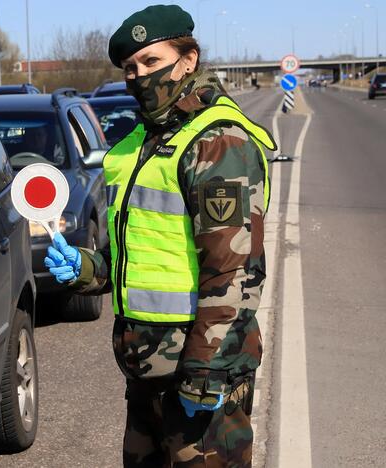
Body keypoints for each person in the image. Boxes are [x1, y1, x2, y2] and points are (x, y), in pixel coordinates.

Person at [44, 5, 276, 467]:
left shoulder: (216, 142)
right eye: (130, 68)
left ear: (188, 59)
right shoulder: (135, 146)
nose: (139, 76)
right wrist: (87, 269)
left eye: (152, 62)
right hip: (147, 374)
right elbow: (141, 255)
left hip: (199, 376)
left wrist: (204, 372)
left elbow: (233, 272)